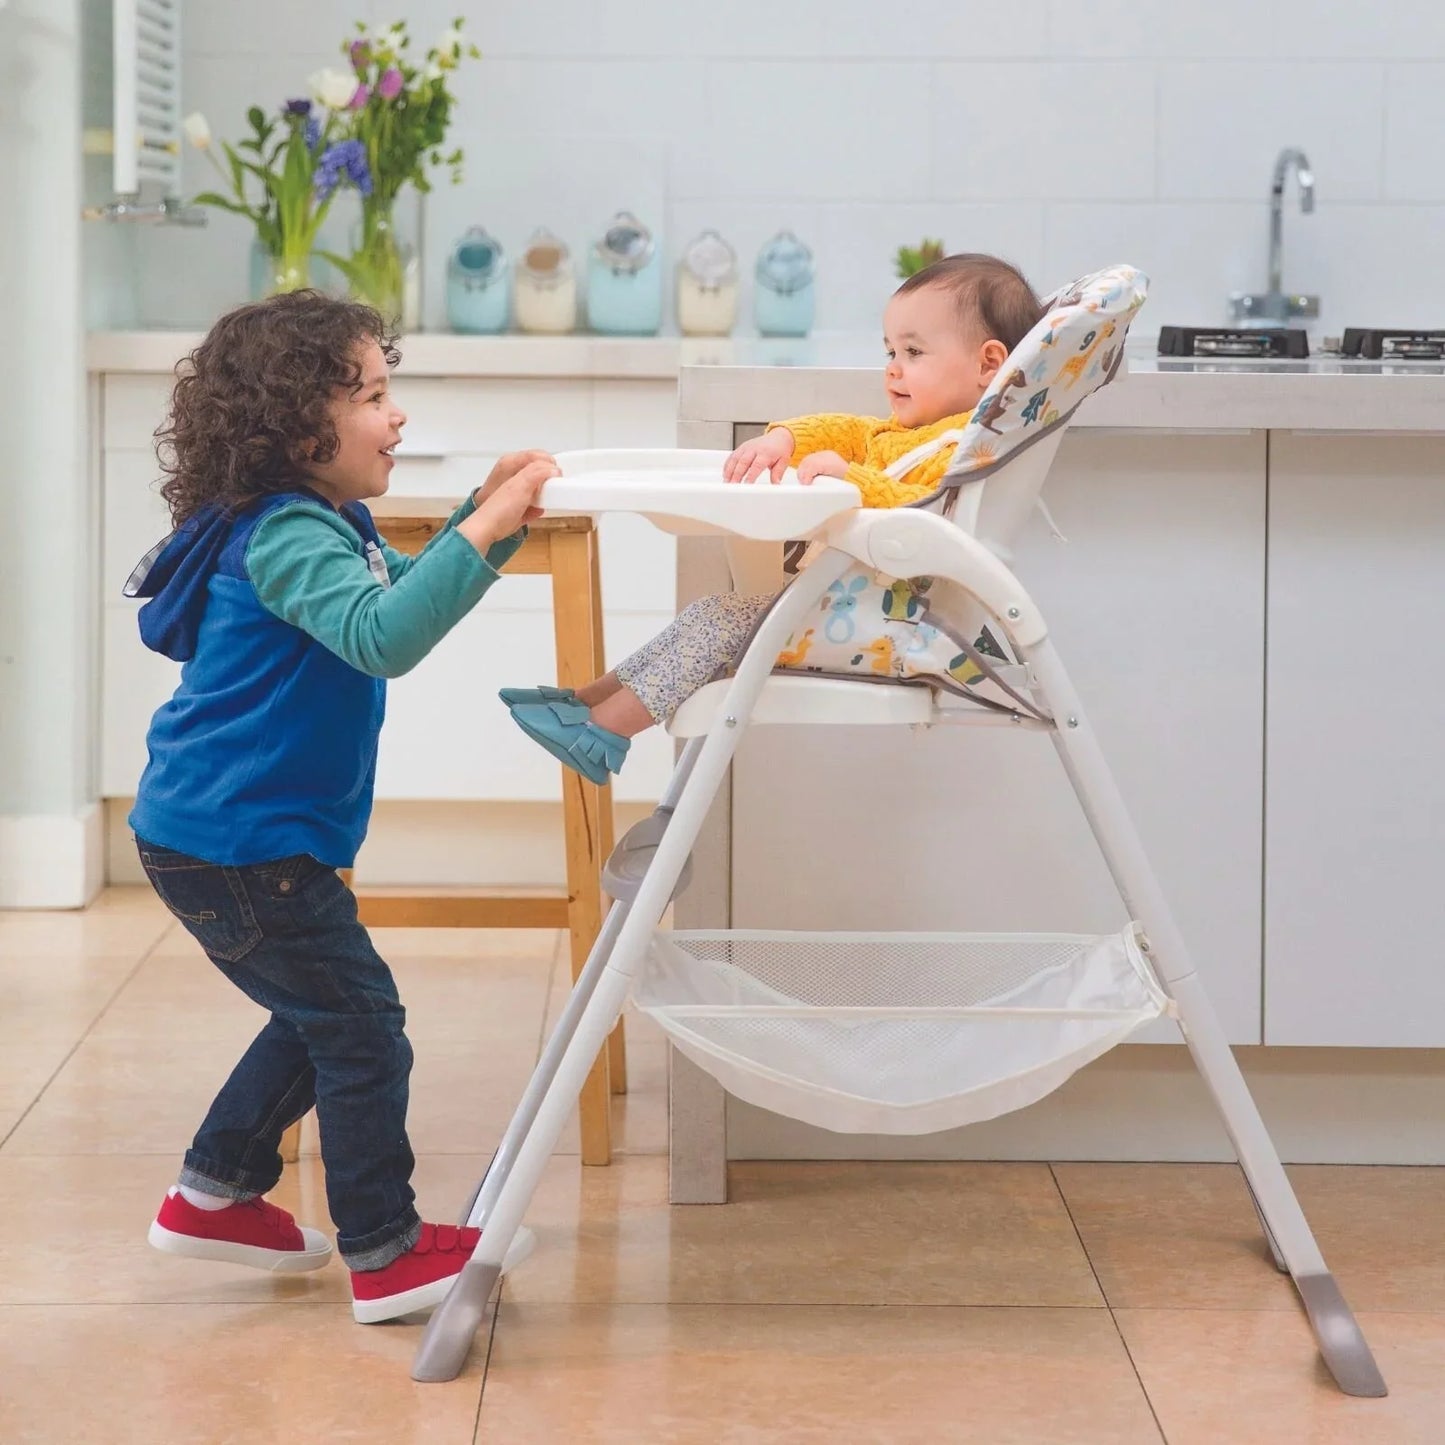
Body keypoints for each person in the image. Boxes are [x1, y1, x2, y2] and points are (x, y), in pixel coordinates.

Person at [128, 290, 557, 1323]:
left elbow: (393, 597)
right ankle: (385, 1249)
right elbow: (384, 637)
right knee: (362, 1023)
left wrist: (476, 526)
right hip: (239, 842)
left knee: (317, 1008)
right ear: (292, 424)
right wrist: (492, 520)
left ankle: (214, 1192)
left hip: (220, 835)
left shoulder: (320, 525)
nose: (394, 414)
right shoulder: (285, 537)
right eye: (371, 394)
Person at [500, 253, 1043, 781]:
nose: (893, 370)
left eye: (913, 352)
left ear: (988, 364)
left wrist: (845, 481)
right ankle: (581, 703)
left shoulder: (961, 446)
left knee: (717, 625)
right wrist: (786, 437)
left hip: (899, 628)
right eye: (890, 352)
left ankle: (602, 733)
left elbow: (916, 508)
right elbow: (847, 430)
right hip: (858, 610)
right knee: (712, 613)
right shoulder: (907, 434)